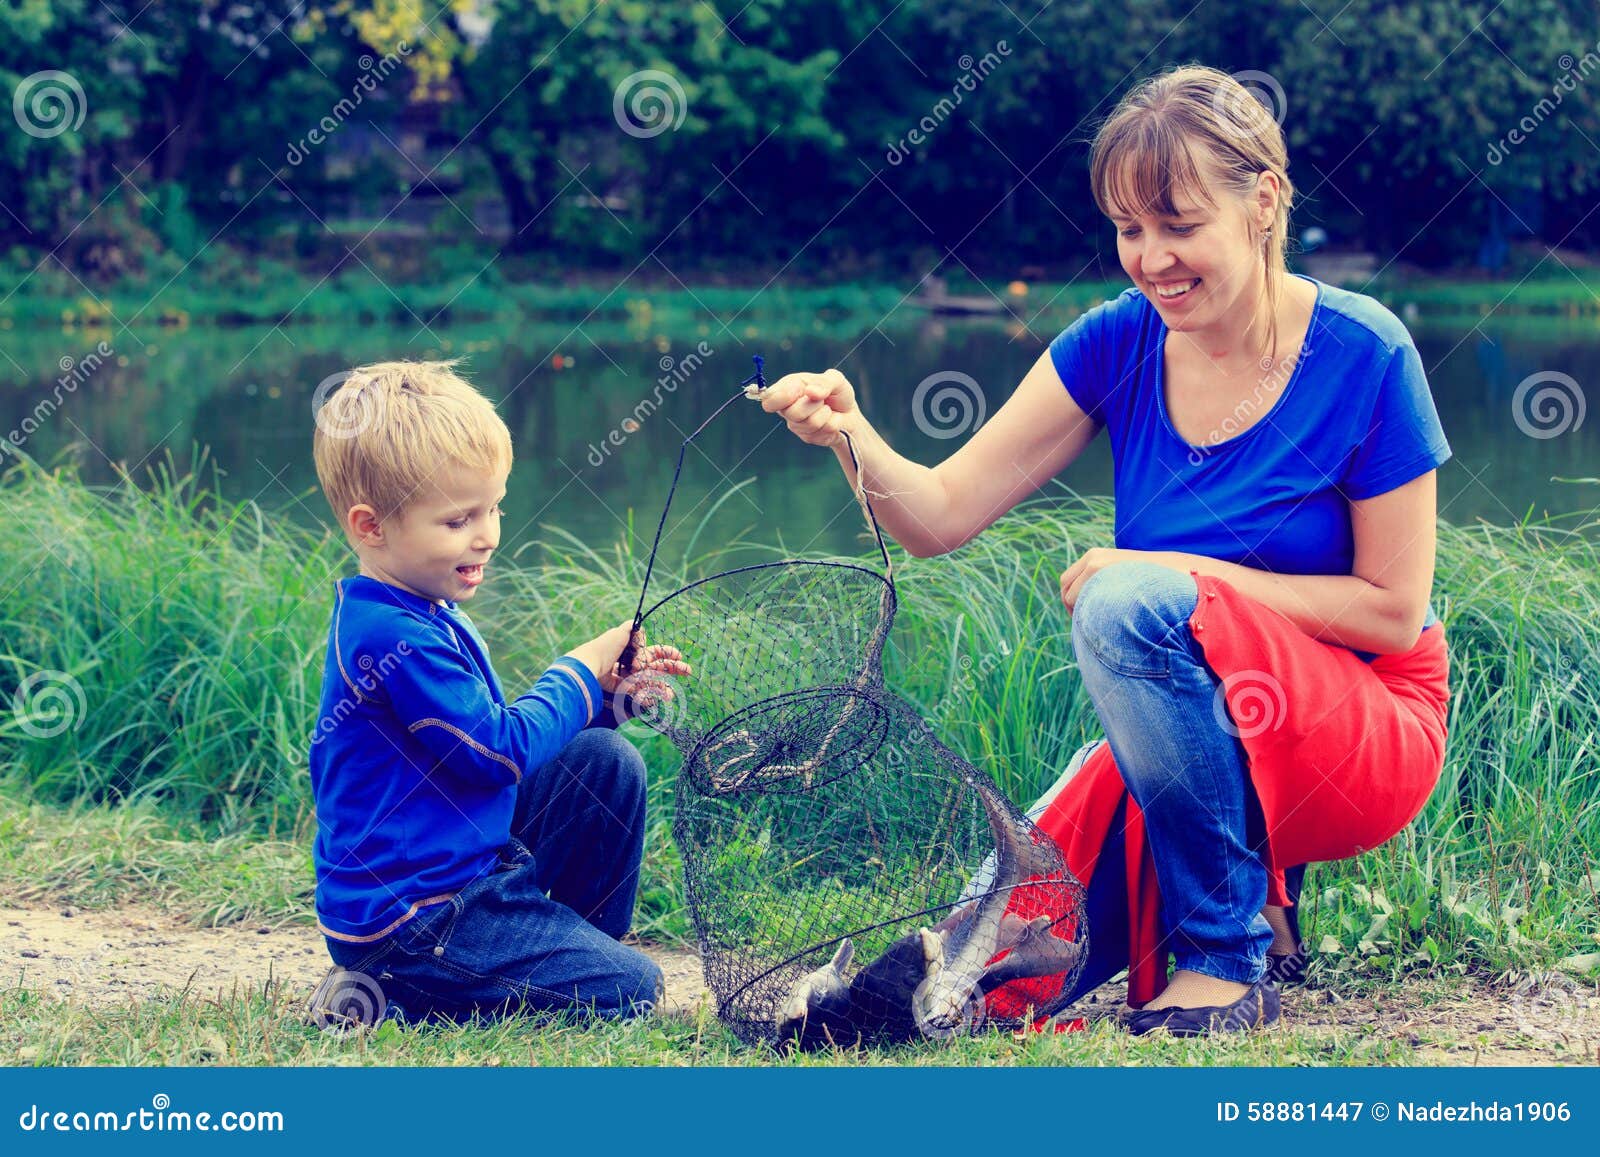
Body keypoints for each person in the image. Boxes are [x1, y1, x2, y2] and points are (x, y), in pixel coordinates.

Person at [759, 64, 1452, 1036]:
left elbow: (1390, 609)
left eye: (1177, 223)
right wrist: (850, 434)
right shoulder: (1117, 343)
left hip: (1367, 733)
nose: (1150, 256)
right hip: (1213, 743)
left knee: (1126, 602)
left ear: (1261, 202)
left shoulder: (1364, 352)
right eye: (1129, 228)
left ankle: (1224, 955)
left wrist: (1180, 575)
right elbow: (939, 515)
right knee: (981, 955)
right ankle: (1250, 891)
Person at [305, 360, 689, 1028]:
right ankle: (394, 991)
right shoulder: (390, 634)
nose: (486, 534)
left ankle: (559, 952)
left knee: (605, 759)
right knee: (634, 989)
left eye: (493, 508)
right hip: (417, 920)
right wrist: (576, 665)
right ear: (371, 527)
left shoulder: (422, 604)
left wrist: (605, 697)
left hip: (468, 865)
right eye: (457, 520)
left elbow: (481, 749)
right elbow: (494, 751)